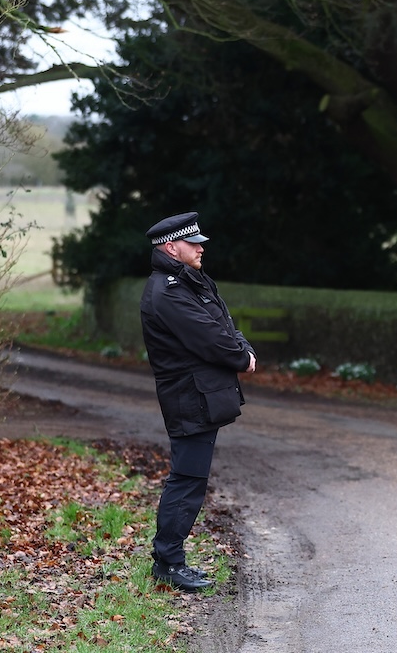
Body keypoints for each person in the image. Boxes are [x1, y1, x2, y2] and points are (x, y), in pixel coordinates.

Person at [140, 212, 256, 591]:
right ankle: (168, 563)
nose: (201, 248)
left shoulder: (189, 281)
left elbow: (223, 321)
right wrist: (241, 357)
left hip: (199, 395)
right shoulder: (168, 292)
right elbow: (209, 337)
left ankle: (171, 560)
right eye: (193, 243)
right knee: (187, 480)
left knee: (191, 479)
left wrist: (243, 347)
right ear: (172, 248)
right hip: (189, 398)